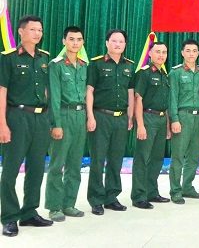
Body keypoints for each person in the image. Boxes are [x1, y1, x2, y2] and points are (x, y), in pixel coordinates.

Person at [0, 15, 52, 237]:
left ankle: (29, 212)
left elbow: (47, 91)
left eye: (40, 29)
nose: (37, 33)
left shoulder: (44, 58)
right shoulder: (8, 58)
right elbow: (2, 92)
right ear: (21, 31)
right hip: (17, 117)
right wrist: (2, 124)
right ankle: (9, 217)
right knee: (10, 169)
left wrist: (49, 120)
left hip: (40, 118)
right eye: (32, 29)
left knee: (37, 168)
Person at [86, 29, 134, 216]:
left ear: (125, 45)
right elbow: (89, 91)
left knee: (116, 159)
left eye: (121, 42)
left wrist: (130, 116)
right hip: (101, 116)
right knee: (98, 160)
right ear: (107, 43)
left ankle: (111, 197)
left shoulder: (129, 66)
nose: (117, 44)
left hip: (121, 118)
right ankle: (96, 199)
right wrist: (90, 116)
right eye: (114, 41)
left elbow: (130, 93)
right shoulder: (96, 64)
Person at [45, 26, 87, 222]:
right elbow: (53, 97)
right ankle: (54, 206)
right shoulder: (56, 65)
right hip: (63, 114)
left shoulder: (84, 65)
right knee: (57, 164)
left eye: (79, 39)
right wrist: (56, 124)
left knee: (75, 164)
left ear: (83, 42)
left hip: (80, 116)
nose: (75, 43)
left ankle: (69, 203)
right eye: (71, 39)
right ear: (64, 41)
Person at [131, 42, 171, 209]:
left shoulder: (165, 75)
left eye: (164, 52)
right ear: (150, 54)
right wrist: (140, 125)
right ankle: (138, 196)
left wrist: (167, 125)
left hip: (161, 120)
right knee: (142, 158)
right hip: (147, 118)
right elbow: (138, 99)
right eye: (157, 52)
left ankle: (151, 192)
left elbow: (165, 102)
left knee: (157, 158)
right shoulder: (144, 73)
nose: (161, 55)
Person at [168, 39, 199, 204]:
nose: (191, 54)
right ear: (182, 53)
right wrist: (174, 119)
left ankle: (187, 187)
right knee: (178, 155)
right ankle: (175, 190)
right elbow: (172, 98)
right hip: (182, 117)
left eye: (194, 51)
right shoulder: (175, 73)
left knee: (194, 156)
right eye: (188, 50)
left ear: (198, 53)